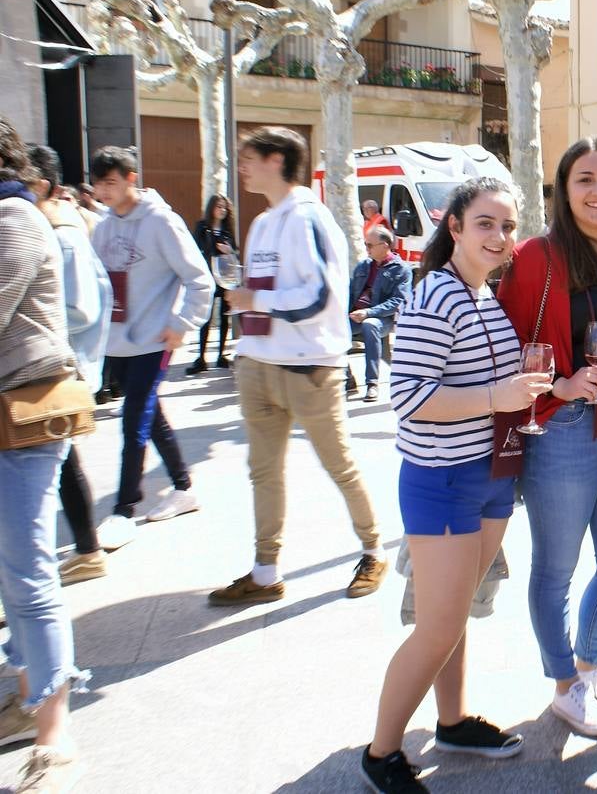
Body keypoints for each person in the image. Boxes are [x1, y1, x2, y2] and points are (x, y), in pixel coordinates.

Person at [361, 177, 551, 794]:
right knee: (437, 625)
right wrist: (497, 396)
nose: (499, 237)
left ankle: (452, 721)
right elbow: (410, 401)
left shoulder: (481, 295)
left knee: (455, 614)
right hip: (441, 479)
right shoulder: (433, 296)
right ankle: (381, 753)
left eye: (507, 226)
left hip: (490, 473)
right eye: (486, 224)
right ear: (456, 228)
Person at [497, 137, 597, 737]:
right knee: (557, 568)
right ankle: (564, 685)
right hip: (564, 428)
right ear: (564, 189)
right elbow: (507, 345)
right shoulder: (538, 255)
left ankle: (588, 666)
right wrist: (558, 386)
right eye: (585, 179)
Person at [208, 127, 388, 605]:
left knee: (340, 467)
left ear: (276, 160)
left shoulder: (310, 218)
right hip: (260, 364)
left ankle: (374, 550)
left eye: (249, 157)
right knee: (263, 472)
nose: (241, 166)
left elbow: (317, 295)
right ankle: (265, 572)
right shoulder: (264, 222)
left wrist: (254, 299)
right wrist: (247, 316)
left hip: (309, 369)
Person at [0, 119, 89, 792]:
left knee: (29, 571)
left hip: (23, 419)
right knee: (11, 572)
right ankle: (27, 695)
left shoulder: (14, 219)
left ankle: (54, 734)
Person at [89, 146, 213, 548]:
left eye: (111, 182)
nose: (104, 192)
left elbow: (200, 280)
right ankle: (182, 486)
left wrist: (180, 325)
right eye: (98, 184)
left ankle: (124, 508)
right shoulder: (103, 227)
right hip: (117, 341)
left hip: (153, 340)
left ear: (131, 178)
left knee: (133, 420)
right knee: (148, 415)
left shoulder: (162, 222)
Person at [27, 144, 114, 585]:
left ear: (40, 184)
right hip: (53, 368)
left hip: (56, 370)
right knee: (62, 465)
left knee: (53, 468)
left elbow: (82, 307)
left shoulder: (61, 234)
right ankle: (85, 550)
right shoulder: (48, 227)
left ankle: (69, 558)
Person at [346, 225, 412, 403]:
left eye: (370, 245)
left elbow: (398, 301)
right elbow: (350, 293)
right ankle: (347, 378)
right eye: (365, 244)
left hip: (384, 319)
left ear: (384, 246)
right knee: (334, 326)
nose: (366, 248)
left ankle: (371, 384)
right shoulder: (363, 266)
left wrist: (368, 312)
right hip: (357, 314)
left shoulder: (401, 270)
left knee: (370, 325)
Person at [185, 194, 238, 376]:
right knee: (206, 317)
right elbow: (194, 248)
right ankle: (201, 357)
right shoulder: (203, 227)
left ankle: (221, 355)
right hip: (208, 275)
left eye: (224, 208)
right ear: (211, 208)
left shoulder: (227, 230)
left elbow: (235, 251)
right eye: (219, 207)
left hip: (224, 277)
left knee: (224, 316)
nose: (222, 211)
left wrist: (229, 250)